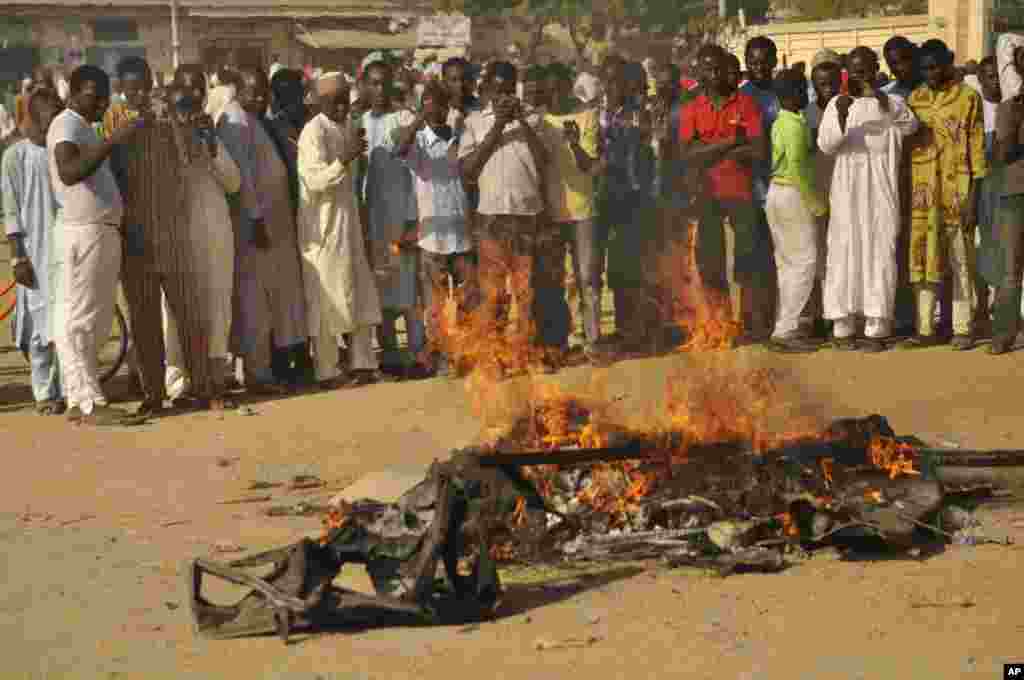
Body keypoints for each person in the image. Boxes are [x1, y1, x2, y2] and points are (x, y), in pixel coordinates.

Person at [49, 65, 145, 425]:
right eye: (94, 94)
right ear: (73, 92)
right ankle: (88, 402)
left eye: (105, 95)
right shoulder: (67, 124)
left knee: (94, 319)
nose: (102, 102)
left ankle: (82, 398)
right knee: (79, 319)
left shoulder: (84, 125)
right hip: (82, 231)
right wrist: (113, 140)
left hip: (98, 230)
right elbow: (69, 172)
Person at [818, 46, 919, 352]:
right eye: (855, 70)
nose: (860, 76)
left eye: (866, 69)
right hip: (847, 191)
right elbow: (826, 145)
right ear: (847, 71)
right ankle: (843, 324)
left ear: (876, 69)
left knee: (879, 252)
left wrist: (882, 100)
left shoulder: (892, 102)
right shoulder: (837, 102)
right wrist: (842, 112)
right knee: (844, 252)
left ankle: (877, 327)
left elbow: (910, 126)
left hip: (880, 189)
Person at [217, 67, 308, 394]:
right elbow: (243, 179)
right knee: (254, 303)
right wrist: (255, 221)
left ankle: (262, 369)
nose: (258, 98)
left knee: (267, 301)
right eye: (251, 92)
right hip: (256, 228)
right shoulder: (235, 121)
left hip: (271, 225)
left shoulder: (250, 118)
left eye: (262, 93)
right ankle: (258, 374)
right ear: (237, 90)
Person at [457, 60, 549, 367]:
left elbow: (544, 161)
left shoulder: (534, 119)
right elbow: (468, 171)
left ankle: (525, 354)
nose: (503, 97)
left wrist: (521, 122)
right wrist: (497, 125)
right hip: (492, 217)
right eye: (497, 90)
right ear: (487, 90)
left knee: (527, 292)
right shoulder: (474, 122)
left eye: (508, 90)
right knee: (493, 294)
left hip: (526, 215)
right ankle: (493, 358)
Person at [158, 66, 241, 409]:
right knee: (175, 313)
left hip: (215, 235)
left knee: (217, 305)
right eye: (183, 93)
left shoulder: (213, 134)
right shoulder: (160, 136)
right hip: (177, 238)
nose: (190, 100)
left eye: (196, 91)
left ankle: (213, 382)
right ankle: (178, 385)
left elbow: (234, 183)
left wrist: (208, 145)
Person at [297, 73, 385, 386]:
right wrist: (344, 158)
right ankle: (327, 370)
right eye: (333, 101)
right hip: (322, 230)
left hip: (349, 225)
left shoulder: (347, 126)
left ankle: (362, 363)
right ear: (320, 102)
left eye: (343, 100)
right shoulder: (313, 131)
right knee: (326, 300)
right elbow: (315, 180)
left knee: (358, 292)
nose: (340, 107)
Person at [678, 44, 767, 344]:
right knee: (712, 263)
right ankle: (720, 324)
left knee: (745, 262)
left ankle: (746, 324)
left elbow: (757, 150)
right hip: (707, 196)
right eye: (706, 68)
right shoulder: (692, 108)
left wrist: (708, 149)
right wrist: (730, 141)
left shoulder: (746, 104)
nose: (713, 74)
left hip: (740, 193)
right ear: (699, 72)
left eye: (717, 67)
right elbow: (689, 155)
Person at [904, 39, 987, 350]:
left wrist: (973, 199)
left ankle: (963, 327)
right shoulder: (915, 99)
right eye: (924, 68)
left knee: (960, 260)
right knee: (923, 258)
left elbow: (977, 153)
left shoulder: (969, 98)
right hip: (922, 196)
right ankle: (925, 328)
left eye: (935, 66)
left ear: (949, 62)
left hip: (958, 194)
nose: (930, 73)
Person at [394, 81, 475, 376]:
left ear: (447, 105)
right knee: (436, 306)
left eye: (439, 103)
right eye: (428, 103)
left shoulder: (461, 136)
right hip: (432, 240)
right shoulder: (419, 143)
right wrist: (419, 118)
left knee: (468, 302)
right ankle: (441, 360)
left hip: (462, 233)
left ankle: (466, 354)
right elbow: (398, 149)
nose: (434, 109)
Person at [359, 57, 428, 376]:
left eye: (384, 83)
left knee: (407, 287)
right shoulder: (359, 122)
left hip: (402, 216)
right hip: (374, 219)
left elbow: (415, 171)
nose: (379, 89)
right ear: (364, 86)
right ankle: (389, 354)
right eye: (372, 83)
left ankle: (416, 353)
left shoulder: (405, 118)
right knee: (381, 284)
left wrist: (413, 219)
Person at [2, 88, 65, 413]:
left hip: (67, 247)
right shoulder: (16, 157)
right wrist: (17, 256)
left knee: (68, 321)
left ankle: (72, 390)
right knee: (39, 327)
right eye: (48, 119)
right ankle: (44, 394)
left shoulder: (67, 151)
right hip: (34, 252)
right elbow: (11, 211)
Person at [540, 62, 605, 363]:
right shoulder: (539, 121)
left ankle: (591, 340)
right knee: (556, 280)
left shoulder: (588, 116)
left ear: (569, 88)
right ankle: (560, 341)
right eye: (548, 89)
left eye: (558, 88)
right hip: (551, 211)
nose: (553, 95)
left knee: (588, 278)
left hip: (583, 211)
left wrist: (574, 143)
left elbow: (589, 167)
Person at [764, 71, 827, 353]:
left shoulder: (782, 121)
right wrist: (816, 204)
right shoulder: (793, 126)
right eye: (803, 89)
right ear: (791, 95)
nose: (808, 95)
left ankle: (784, 326)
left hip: (777, 192)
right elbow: (800, 169)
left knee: (787, 263)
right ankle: (787, 328)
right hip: (793, 194)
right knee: (804, 262)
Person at [739, 36, 781, 341]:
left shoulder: (788, 92)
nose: (759, 67)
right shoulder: (742, 97)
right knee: (754, 258)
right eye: (753, 62)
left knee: (785, 257)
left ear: (775, 62)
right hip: (752, 189)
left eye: (764, 61)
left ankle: (783, 319)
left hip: (784, 187)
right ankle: (753, 322)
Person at [991, 35, 1024, 354]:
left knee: (1011, 270)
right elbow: (1004, 151)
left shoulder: (1010, 104)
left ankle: (1006, 334)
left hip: (1015, 190)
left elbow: (1004, 151)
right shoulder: (1010, 105)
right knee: (1010, 270)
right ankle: (1004, 333)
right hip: (1015, 192)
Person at [968, 56, 1001, 335]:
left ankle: (1003, 306)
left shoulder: (1013, 104)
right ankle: (980, 307)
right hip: (980, 189)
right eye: (989, 77)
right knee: (980, 248)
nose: (996, 82)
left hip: (1005, 189)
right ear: (980, 79)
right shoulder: (977, 108)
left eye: (998, 76)